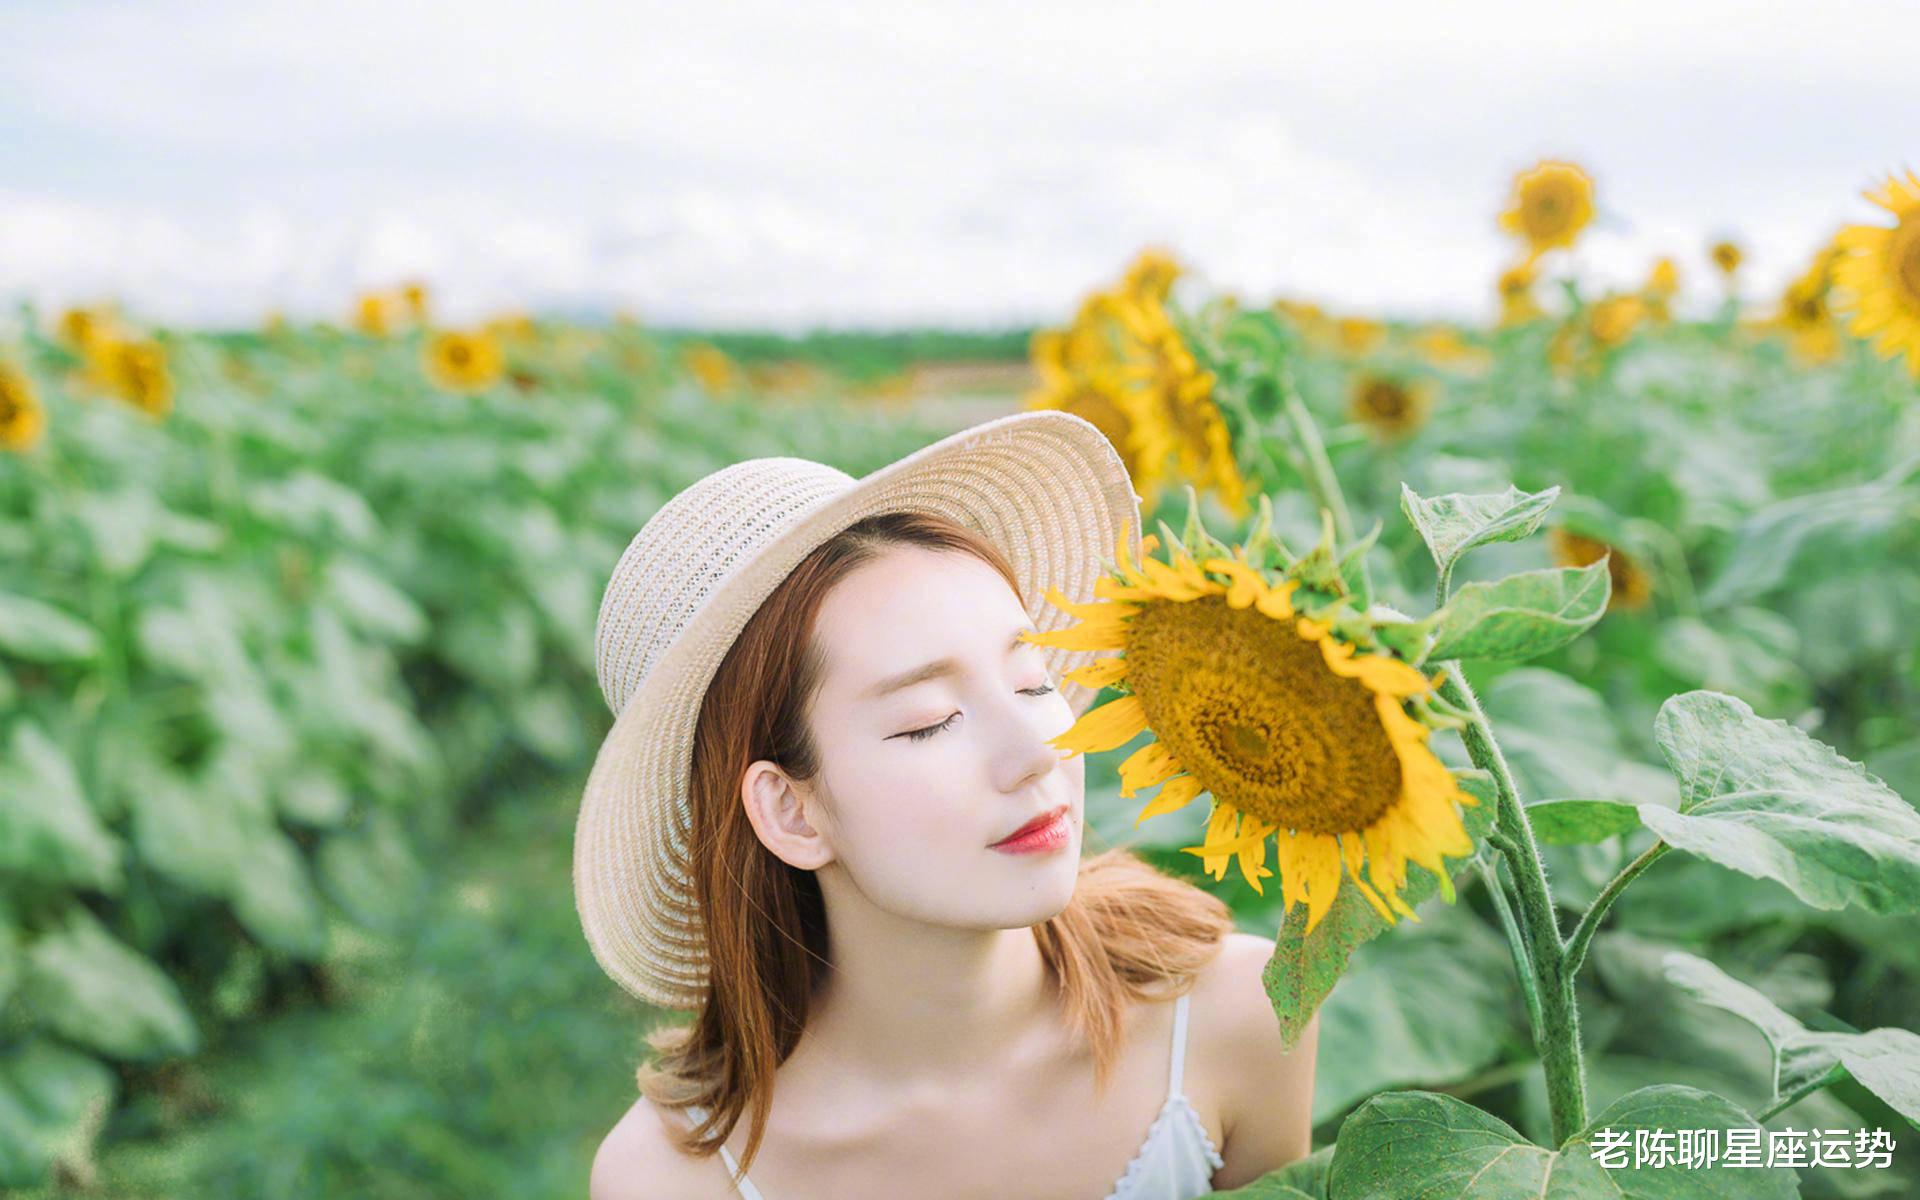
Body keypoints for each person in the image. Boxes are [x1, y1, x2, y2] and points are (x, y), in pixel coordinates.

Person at [577, 412, 1317, 1199]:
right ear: (792, 812)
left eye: (1033, 683)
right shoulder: (674, 1180)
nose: (1040, 750)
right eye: (930, 721)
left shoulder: (1232, 1016)